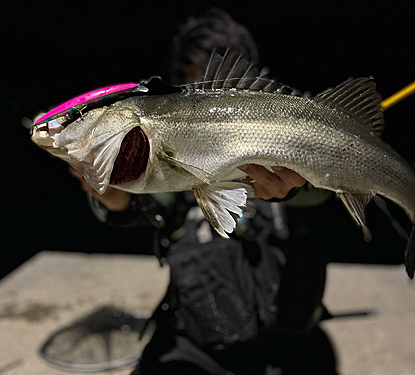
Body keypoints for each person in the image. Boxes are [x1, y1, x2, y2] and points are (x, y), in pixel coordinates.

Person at [72, 8, 337, 375]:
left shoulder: (287, 121)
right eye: (194, 89)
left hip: (283, 344)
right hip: (191, 340)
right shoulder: (172, 154)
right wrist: (117, 202)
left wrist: (293, 185)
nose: (208, 100)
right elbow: (154, 203)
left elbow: (321, 192)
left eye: (222, 84)